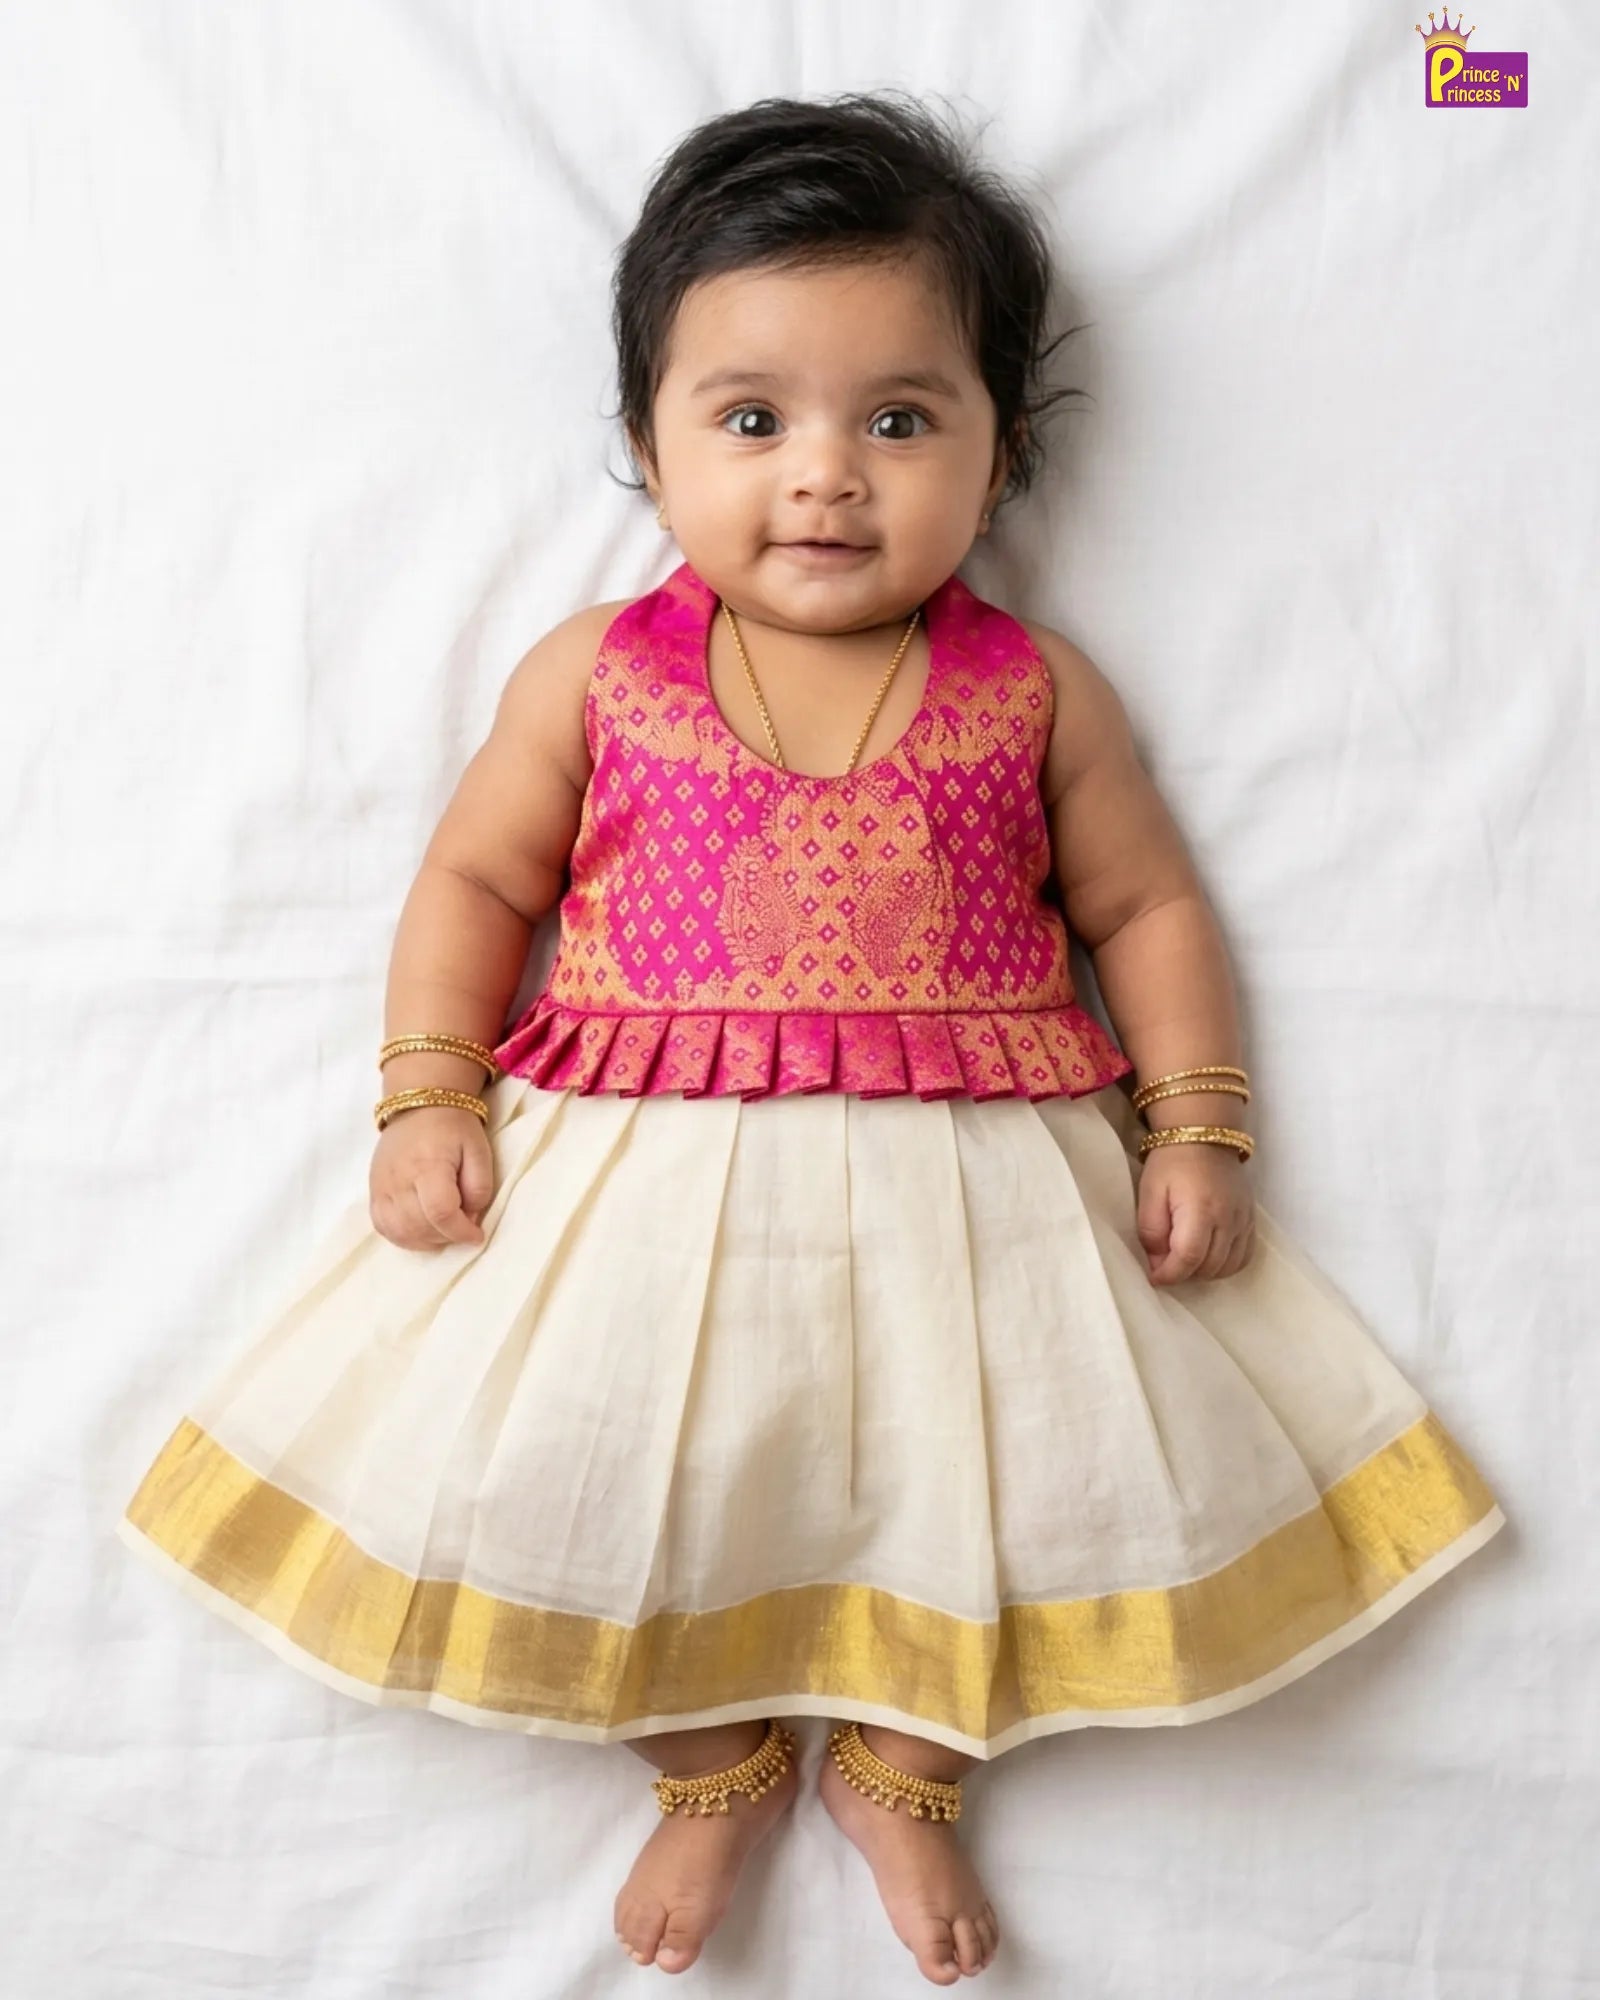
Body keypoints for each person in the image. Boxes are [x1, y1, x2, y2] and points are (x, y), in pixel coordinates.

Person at [116, 90, 1508, 1988]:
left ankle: (911, 1765)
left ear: (1001, 451)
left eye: (901, 419)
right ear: (645, 441)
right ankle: (705, 1757)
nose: (826, 477)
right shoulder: (600, 673)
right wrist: (427, 1091)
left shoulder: (1031, 692)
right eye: (752, 419)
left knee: (1008, 1481)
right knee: (579, 1484)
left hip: (976, 1193)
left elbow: (1148, 911)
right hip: (638, 1179)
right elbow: (472, 885)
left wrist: (1199, 1128)